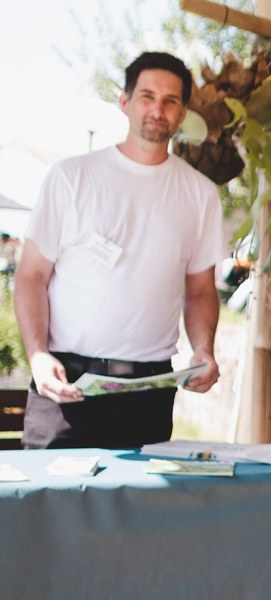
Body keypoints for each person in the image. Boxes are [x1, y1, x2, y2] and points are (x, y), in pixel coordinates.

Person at [15, 51, 224, 449]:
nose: (157, 109)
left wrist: (204, 350)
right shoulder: (71, 177)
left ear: (183, 114)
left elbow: (199, 291)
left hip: (150, 390)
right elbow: (31, 277)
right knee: (51, 508)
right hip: (66, 382)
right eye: (147, 96)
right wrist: (38, 357)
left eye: (170, 101)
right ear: (125, 103)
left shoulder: (200, 194)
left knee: (137, 511)